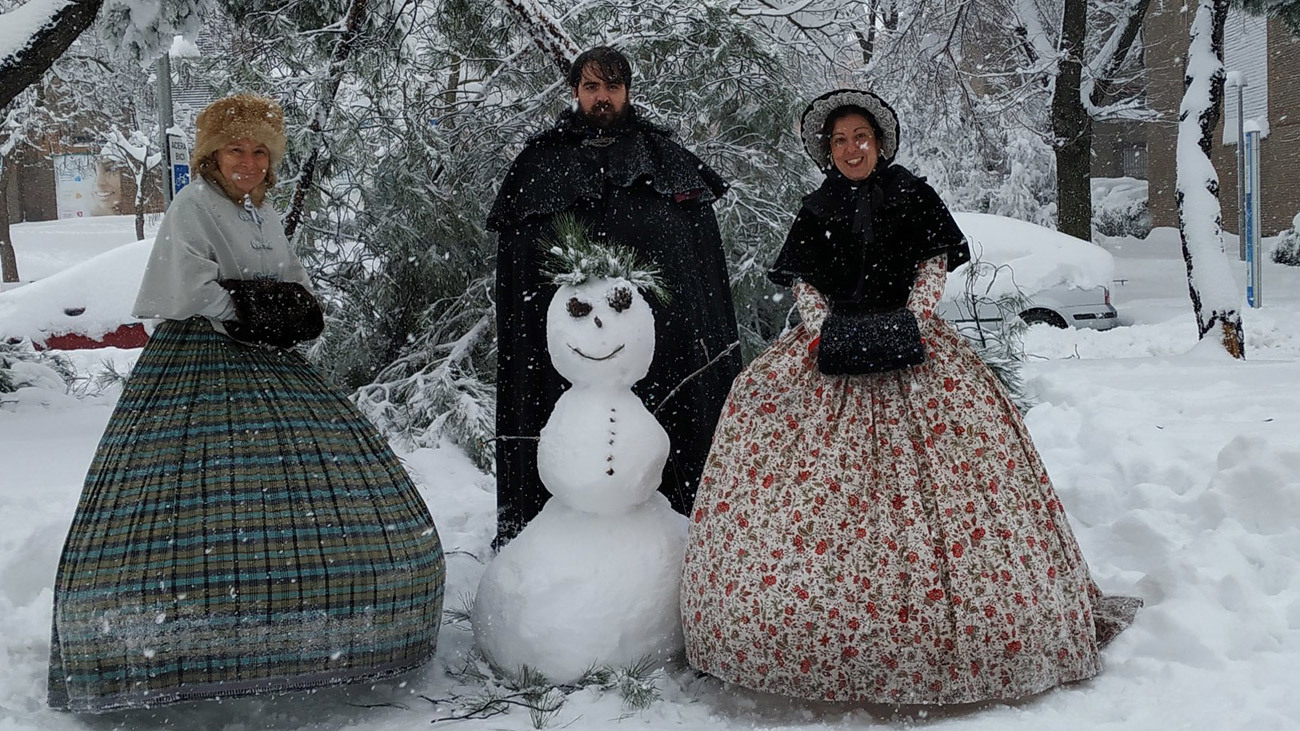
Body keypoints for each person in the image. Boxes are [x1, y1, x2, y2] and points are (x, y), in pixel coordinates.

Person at [680, 89, 1140, 705]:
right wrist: (826, 329)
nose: (851, 149)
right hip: (830, 354)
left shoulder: (913, 195)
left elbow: (932, 267)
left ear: (880, 142)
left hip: (918, 353)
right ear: (828, 149)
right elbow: (807, 284)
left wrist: (910, 322)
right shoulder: (815, 209)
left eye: (861, 138)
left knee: (956, 486)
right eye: (840, 140)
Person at [47, 94, 446, 713]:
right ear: (212, 153)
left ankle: (308, 633)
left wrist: (290, 307)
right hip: (197, 363)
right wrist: (251, 308)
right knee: (192, 503)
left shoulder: (261, 210)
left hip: (269, 362)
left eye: (260, 150)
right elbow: (193, 284)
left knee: (307, 488)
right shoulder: (193, 205)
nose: (249, 161)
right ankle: (178, 648)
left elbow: (291, 275)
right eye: (237, 148)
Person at [487, 46, 742, 544]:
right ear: (576, 92)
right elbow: (522, 273)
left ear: (627, 91)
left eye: (612, 87)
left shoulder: (665, 162)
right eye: (591, 87)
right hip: (566, 357)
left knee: (663, 451)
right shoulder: (539, 164)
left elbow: (696, 272)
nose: (602, 97)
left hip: (662, 353)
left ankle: (679, 548)